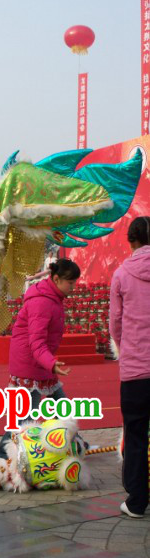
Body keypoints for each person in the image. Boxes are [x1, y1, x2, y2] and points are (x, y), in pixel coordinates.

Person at [0, 258, 80, 459]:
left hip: (41, 364)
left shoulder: (52, 297)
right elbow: (37, 342)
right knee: (25, 419)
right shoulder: (42, 302)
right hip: (30, 367)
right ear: (57, 279)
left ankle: (75, 443)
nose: (73, 287)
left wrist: (49, 363)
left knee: (62, 408)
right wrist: (51, 363)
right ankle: (2, 456)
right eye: (70, 283)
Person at [110, 216, 150, 519]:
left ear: (131, 240)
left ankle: (137, 502)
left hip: (136, 371)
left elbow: (116, 324)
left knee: (135, 435)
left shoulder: (122, 275)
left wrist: (128, 352)